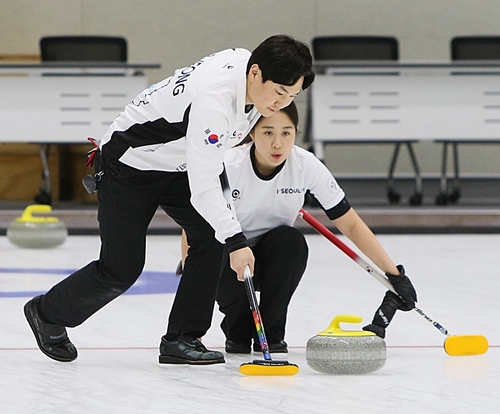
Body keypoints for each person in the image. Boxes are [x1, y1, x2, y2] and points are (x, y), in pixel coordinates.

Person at [23, 34, 315, 365]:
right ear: (255, 73)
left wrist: (227, 234)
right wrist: (237, 241)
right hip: (130, 164)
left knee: (210, 236)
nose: (281, 104)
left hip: (179, 162)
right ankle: (47, 312)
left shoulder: (247, 71)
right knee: (121, 268)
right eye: (279, 92)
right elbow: (205, 183)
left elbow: (208, 163)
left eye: (291, 96)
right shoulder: (214, 101)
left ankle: (182, 337)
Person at [178, 101, 417, 353]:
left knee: (291, 241)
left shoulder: (306, 165)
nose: (277, 143)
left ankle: (271, 333)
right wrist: (192, 280)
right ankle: (237, 326)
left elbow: (350, 223)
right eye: (268, 132)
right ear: (251, 132)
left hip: (273, 259)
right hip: (226, 259)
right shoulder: (228, 165)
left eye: (286, 133)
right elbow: (194, 228)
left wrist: (395, 275)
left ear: (296, 132)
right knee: (238, 336)